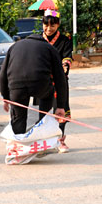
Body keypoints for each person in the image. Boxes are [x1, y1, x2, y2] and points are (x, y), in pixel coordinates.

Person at [0, 31, 68, 135]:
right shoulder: (49, 48)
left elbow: (2, 76)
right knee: (47, 99)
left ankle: (19, 144)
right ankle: (42, 127)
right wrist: (61, 106)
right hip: (40, 85)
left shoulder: (14, 47)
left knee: (18, 118)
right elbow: (60, 78)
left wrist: (6, 98)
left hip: (17, 86)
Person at [42, 9, 73, 152]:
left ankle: (60, 140)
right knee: (43, 111)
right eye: (46, 25)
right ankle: (44, 141)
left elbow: (67, 58)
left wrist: (64, 66)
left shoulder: (64, 41)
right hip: (42, 81)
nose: (48, 29)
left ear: (58, 25)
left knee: (61, 109)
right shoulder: (38, 39)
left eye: (52, 26)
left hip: (59, 81)